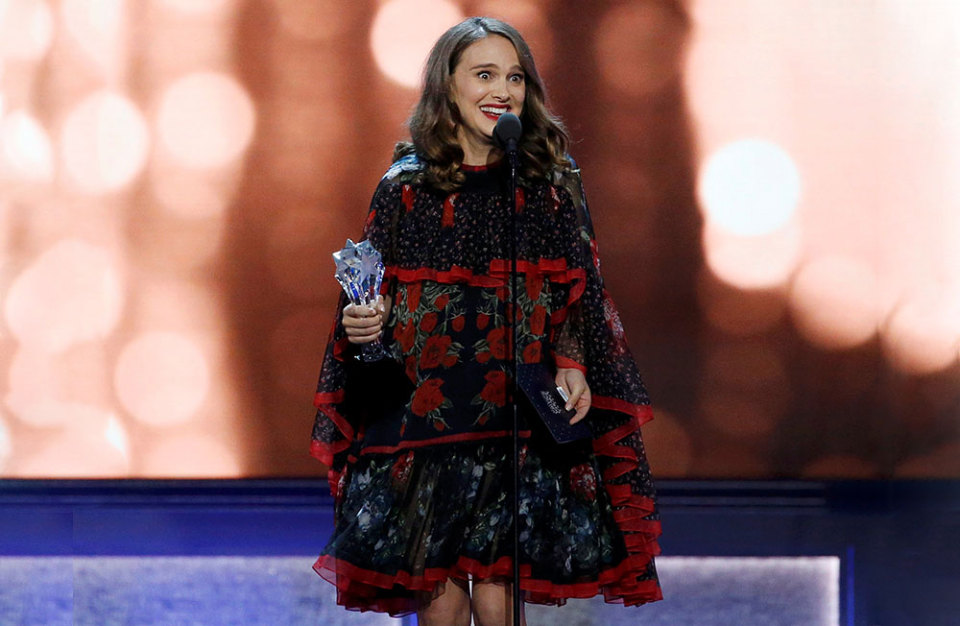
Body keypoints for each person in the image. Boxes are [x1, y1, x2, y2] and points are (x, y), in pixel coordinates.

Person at [311, 16, 661, 625]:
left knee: (501, 591)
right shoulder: (405, 187)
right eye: (484, 74)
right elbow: (372, 300)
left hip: (515, 415)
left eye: (515, 77)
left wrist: (573, 363)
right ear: (447, 85)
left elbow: (578, 288)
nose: (502, 90)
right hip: (425, 414)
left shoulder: (549, 185)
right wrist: (365, 322)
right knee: (438, 591)